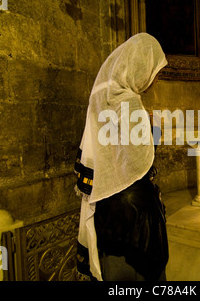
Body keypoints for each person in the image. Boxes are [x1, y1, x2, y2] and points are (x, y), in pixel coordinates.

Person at [74, 33, 169, 281]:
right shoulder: (129, 101)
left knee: (114, 273)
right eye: (156, 72)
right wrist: (154, 129)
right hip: (136, 212)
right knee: (142, 275)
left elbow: (110, 154)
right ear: (140, 67)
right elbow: (141, 160)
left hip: (107, 205)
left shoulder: (102, 98)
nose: (156, 80)